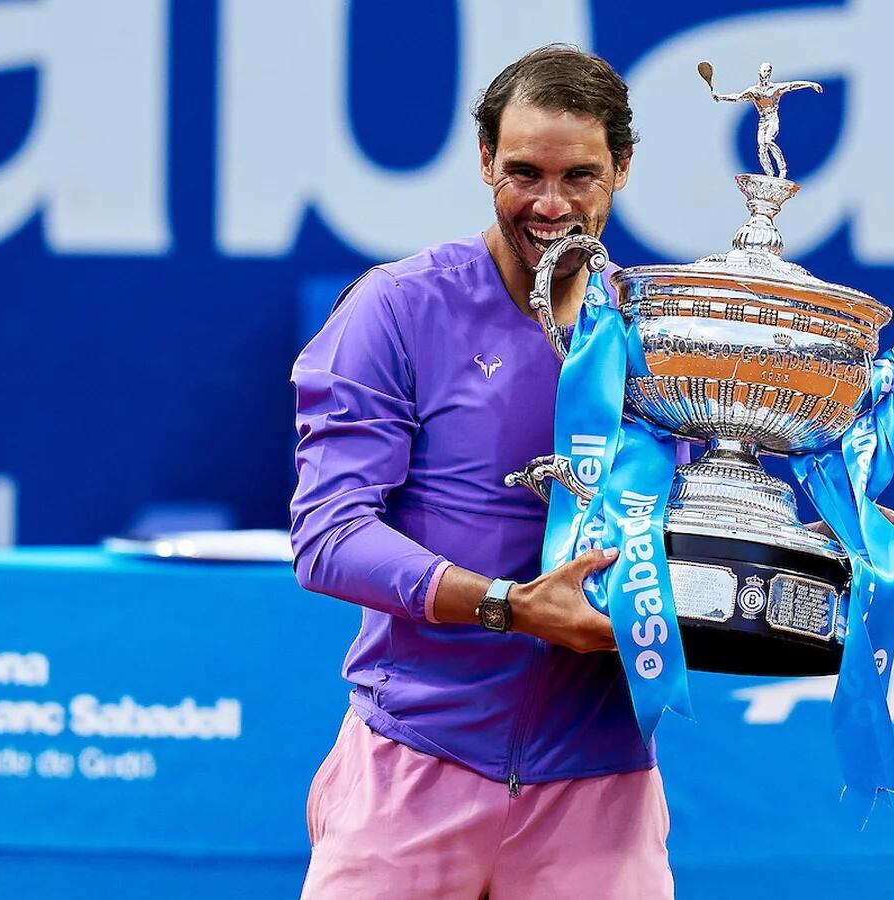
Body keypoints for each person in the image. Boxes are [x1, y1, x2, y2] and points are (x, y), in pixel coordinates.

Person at [290, 45, 678, 898]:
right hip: (412, 770)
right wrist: (509, 606)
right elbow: (328, 539)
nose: (549, 203)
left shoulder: (661, 337)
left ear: (622, 167)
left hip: (602, 786)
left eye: (580, 176)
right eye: (522, 172)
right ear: (481, 162)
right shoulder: (395, 308)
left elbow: (683, 540)